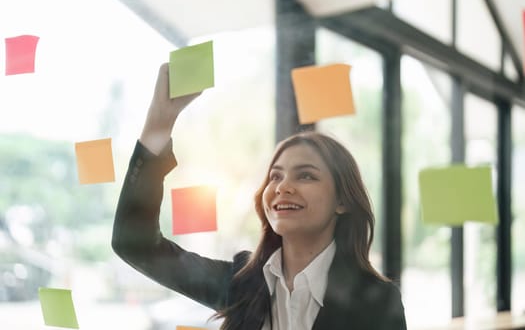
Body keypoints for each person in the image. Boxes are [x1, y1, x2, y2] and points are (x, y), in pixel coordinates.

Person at [112, 63, 407, 330]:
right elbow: (134, 244)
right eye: (275, 176)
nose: (282, 187)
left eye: (306, 175)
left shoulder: (378, 302)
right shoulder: (242, 283)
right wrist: (158, 125)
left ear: (342, 201)